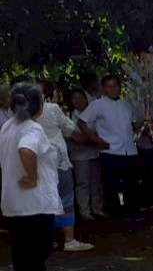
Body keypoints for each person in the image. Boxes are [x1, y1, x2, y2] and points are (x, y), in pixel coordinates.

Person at [2, 82, 66, 271]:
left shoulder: (8, 126)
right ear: (38, 106)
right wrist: (31, 176)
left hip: (14, 201)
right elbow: (26, 150)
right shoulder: (31, 128)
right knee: (38, 250)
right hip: (34, 202)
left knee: (22, 251)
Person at [36, 81, 93, 250]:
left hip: (36, 162)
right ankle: (69, 239)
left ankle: (47, 239)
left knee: (42, 202)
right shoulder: (53, 109)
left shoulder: (22, 112)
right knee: (65, 199)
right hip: (58, 161)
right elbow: (75, 134)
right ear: (52, 94)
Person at [79, 74, 142, 218]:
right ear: (104, 88)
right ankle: (115, 215)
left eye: (115, 85)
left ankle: (131, 213)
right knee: (112, 185)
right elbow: (81, 122)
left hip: (129, 149)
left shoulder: (126, 104)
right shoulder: (98, 104)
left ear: (120, 87)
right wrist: (95, 139)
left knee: (131, 183)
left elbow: (132, 125)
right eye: (109, 86)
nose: (112, 89)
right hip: (111, 150)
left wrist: (143, 123)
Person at [124, 41, 153, 211]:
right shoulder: (133, 90)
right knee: (141, 176)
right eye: (145, 54)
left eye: (151, 54)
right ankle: (141, 205)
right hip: (139, 143)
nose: (148, 58)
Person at [67, 89, 106, 221]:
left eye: (80, 98)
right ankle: (84, 210)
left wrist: (93, 139)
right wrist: (92, 139)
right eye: (74, 98)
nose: (78, 101)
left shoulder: (93, 114)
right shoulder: (70, 117)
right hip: (79, 156)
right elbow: (77, 137)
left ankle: (97, 208)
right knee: (82, 182)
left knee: (96, 182)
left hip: (95, 153)